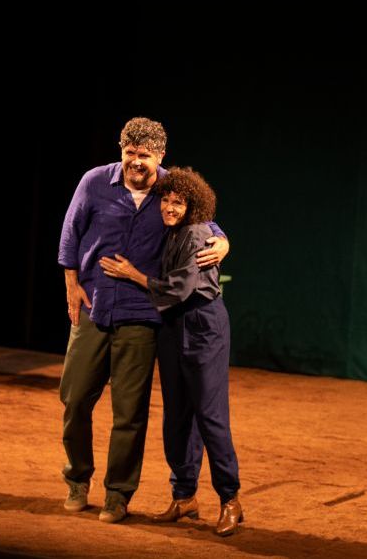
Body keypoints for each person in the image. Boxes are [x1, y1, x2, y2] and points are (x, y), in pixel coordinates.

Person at [57, 117, 229, 524]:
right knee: (75, 398)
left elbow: (209, 224)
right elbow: (70, 235)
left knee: (129, 411)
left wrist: (224, 242)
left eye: (145, 155)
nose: (136, 161)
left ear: (160, 156)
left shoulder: (171, 189)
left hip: (142, 314)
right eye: (130, 153)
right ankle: (78, 479)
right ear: (122, 151)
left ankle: (118, 494)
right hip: (94, 306)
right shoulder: (94, 182)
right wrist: (71, 285)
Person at [99, 166, 243, 536]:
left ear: (192, 207)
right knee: (176, 415)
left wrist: (132, 274)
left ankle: (230, 499)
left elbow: (179, 288)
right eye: (166, 200)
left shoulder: (196, 233)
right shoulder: (172, 230)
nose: (169, 207)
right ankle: (184, 496)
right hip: (171, 326)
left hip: (202, 324)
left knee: (209, 414)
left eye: (178, 203)